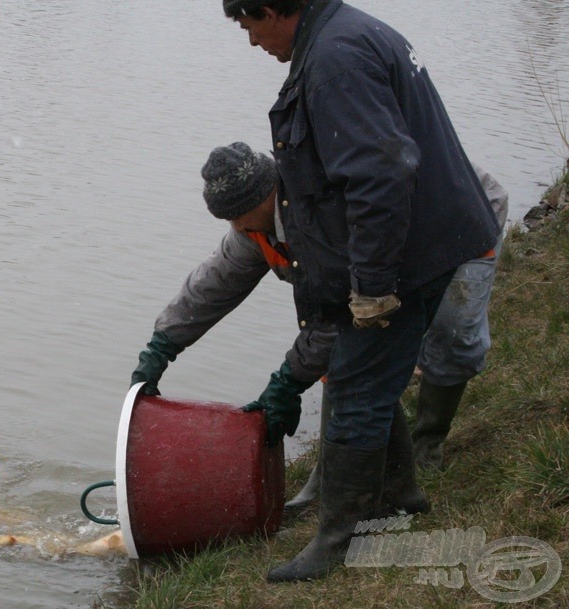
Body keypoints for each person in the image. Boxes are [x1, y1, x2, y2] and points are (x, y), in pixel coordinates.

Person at [221, 0, 500, 582]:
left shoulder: (334, 59)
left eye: (248, 26)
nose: (250, 42)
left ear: (270, 9)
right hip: (428, 237)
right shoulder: (348, 32)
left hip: (406, 252)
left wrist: (371, 288)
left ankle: (339, 540)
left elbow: (382, 170)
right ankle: (401, 497)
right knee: (367, 375)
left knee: (354, 390)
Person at [130, 142, 507, 512]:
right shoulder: (255, 228)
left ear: (266, 195)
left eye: (238, 215)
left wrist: (287, 382)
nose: (235, 226)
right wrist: (162, 346)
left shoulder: (324, 215)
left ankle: (427, 448)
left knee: (451, 334)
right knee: (351, 352)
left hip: (462, 216)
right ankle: (328, 473)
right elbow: (213, 284)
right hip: (394, 244)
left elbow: (338, 319)